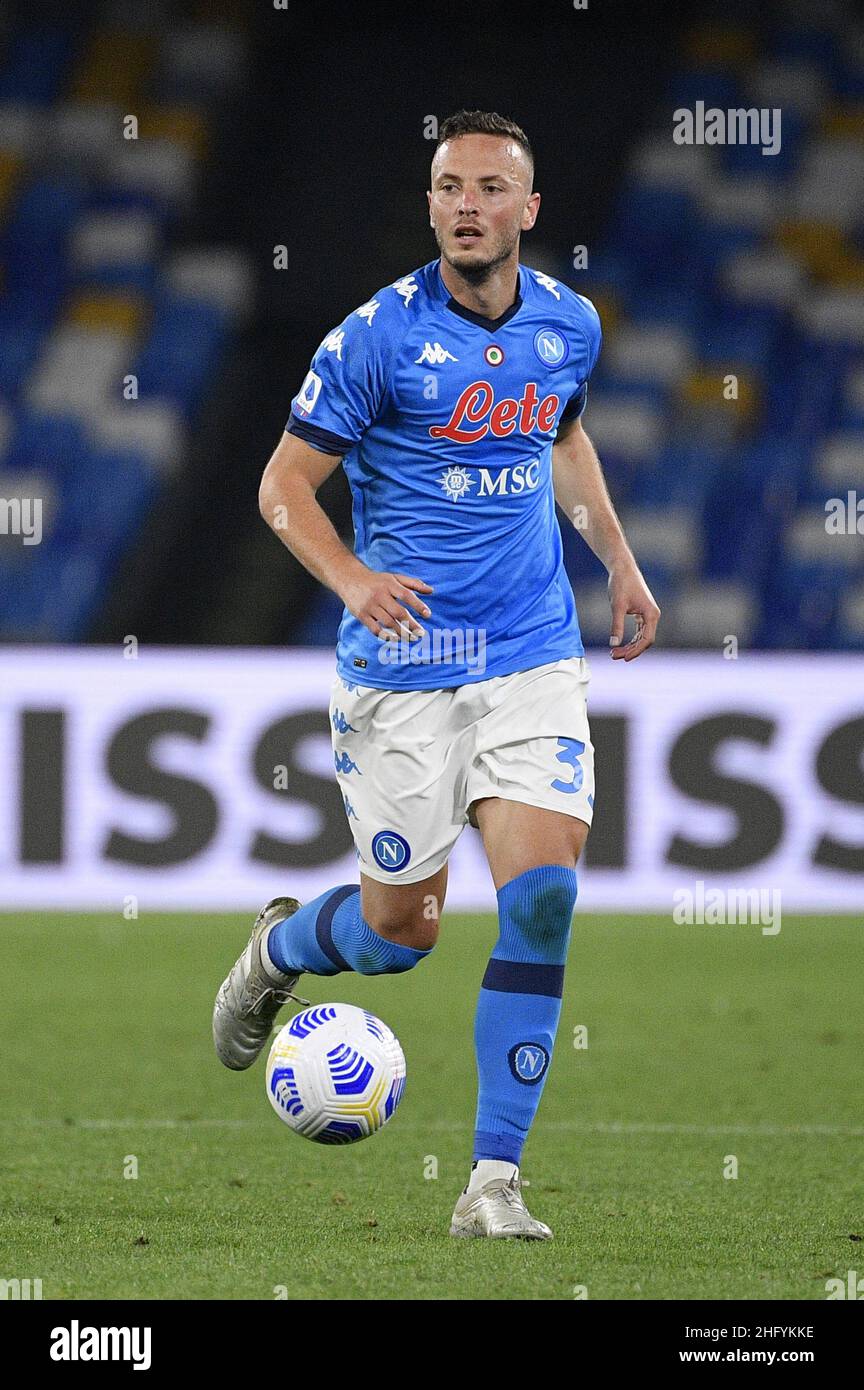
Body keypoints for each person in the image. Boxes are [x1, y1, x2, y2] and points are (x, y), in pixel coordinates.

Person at [213, 109, 660, 1239]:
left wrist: (618, 557)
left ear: (529, 208)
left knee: (545, 898)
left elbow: (561, 438)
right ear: (431, 206)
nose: (467, 203)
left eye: (490, 186)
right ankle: (280, 947)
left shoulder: (570, 325)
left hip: (528, 653)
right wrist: (355, 579)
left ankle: (492, 1184)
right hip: (404, 673)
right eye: (448, 186)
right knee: (399, 935)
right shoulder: (372, 338)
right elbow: (281, 488)